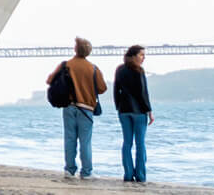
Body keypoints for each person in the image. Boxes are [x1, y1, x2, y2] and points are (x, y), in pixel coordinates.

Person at [49, 36, 107, 179]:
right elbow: (102, 88)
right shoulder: (93, 68)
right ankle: (86, 172)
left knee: (69, 139)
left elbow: (49, 80)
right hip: (86, 108)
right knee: (85, 141)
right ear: (88, 52)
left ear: (75, 49)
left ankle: (69, 170)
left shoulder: (65, 65)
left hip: (68, 107)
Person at [115, 44, 152, 183]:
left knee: (127, 143)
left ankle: (128, 174)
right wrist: (149, 111)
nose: (143, 58)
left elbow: (116, 90)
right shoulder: (139, 71)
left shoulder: (119, 70)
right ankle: (141, 176)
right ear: (133, 55)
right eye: (141, 55)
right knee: (140, 144)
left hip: (124, 111)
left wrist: (118, 106)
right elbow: (143, 93)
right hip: (139, 112)